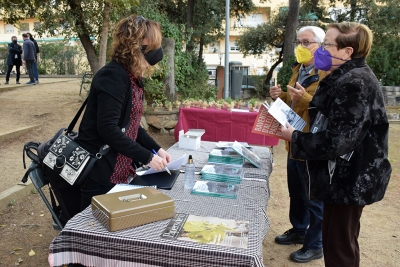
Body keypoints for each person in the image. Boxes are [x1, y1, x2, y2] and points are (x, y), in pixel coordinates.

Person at [281, 22, 392, 267]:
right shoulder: (345, 77)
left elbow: (338, 141)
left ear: (347, 52)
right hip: (341, 178)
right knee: (336, 241)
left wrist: (295, 137)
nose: (321, 50)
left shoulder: (355, 83)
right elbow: (339, 118)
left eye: (327, 45)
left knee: (340, 246)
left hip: (349, 178)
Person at [75, 15, 169, 211]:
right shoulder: (113, 76)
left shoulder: (133, 77)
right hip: (99, 173)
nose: (155, 54)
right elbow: (108, 129)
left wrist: (157, 150)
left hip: (119, 168)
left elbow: (132, 125)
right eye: (150, 47)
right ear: (135, 47)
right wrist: (148, 157)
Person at [269, 26, 327, 263]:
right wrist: (279, 96)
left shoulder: (326, 73)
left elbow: (326, 108)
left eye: (307, 42)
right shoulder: (298, 70)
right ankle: (299, 230)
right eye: (299, 42)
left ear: (321, 46)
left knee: (314, 197)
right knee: (297, 193)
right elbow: (293, 104)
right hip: (294, 142)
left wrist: (303, 98)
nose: (301, 47)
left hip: (311, 143)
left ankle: (316, 244)